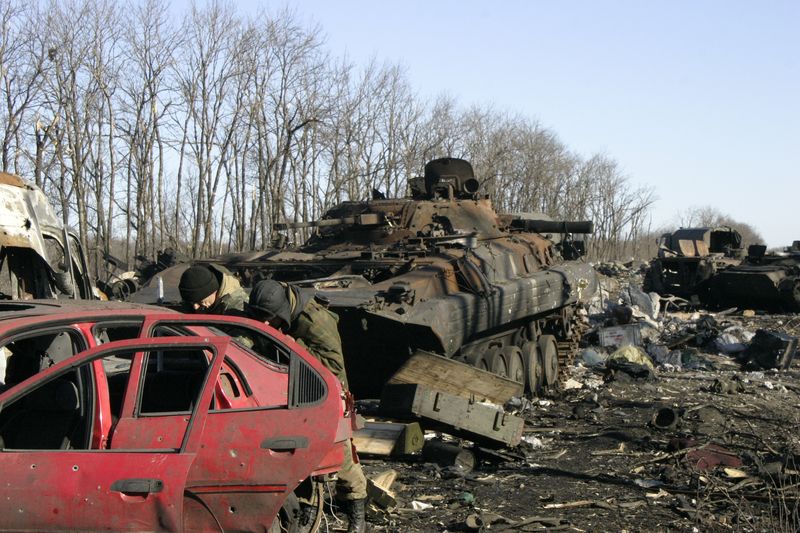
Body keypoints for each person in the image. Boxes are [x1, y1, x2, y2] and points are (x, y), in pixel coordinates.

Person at [247, 280, 367, 533]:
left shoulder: (315, 322)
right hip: (297, 395)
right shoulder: (281, 317)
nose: (266, 324)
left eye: (270, 318)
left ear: (282, 311)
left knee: (341, 456)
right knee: (303, 457)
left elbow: (334, 369)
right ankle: (309, 511)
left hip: (329, 397)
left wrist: (289, 344)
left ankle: (357, 517)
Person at [178, 264, 248, 315]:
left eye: (200, 302)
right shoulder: (208, 302)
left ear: (213, 292)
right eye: (192, 302)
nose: (195, 307)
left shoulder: (236, 308)